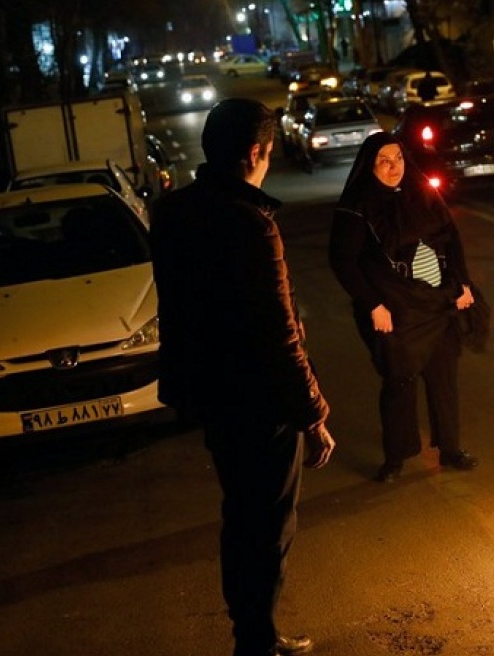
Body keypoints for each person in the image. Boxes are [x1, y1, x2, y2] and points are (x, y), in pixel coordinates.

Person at [150, 98, 336, 656]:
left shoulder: (175, 212)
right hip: (261, 402)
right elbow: (278, 335)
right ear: (255, 152)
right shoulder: (252, 226)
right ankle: (257, 640)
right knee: (270, 523)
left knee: (240, 515)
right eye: (269, 152)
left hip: (211, 395)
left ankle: (251, 632)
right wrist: (314, 414)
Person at [329, 132, 479, 483]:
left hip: (438, 302)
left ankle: (451, 449)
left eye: (397, 158)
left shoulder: (423, 191)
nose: (393, 167)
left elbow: (451, 238)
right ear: (371, 165)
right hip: (395, 307)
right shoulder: (357, 204)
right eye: (384, 160)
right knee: (399, 381)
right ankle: (396, 457)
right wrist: (373, 305)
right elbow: (343, 261)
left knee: (443, 379)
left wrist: (462, 283)